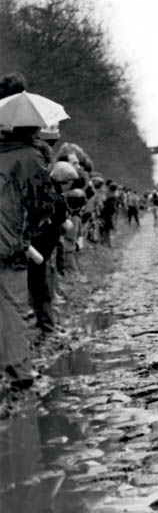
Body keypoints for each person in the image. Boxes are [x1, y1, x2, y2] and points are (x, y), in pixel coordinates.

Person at [0, 125, 54, 392]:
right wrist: (34, 225)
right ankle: (18, 372)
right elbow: (43, 202)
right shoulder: (29, 155)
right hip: (9, 242)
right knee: (12, 306)